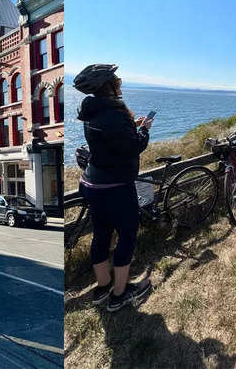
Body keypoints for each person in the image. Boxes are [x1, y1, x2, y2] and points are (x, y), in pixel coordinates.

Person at [74, 64, 153, 312]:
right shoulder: (115, 114)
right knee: (127, 236)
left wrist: (131, 125)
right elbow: (132, 147)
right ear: (108, 86)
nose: (119, 82)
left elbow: (111, 139)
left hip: (92, 183)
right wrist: (144, 130)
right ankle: (120, 294)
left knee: (101, 233)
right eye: (115, 79)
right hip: (116, 186)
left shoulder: (91, 111)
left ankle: (102, 287)